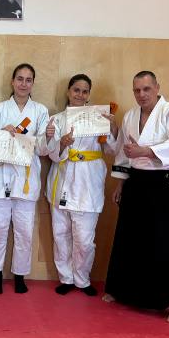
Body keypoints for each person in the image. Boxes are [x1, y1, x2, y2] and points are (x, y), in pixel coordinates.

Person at [103, 70, 169, 324]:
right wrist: (120, 184)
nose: (142, 94)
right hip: (135, 182)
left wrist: (146, 151)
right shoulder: (130, 115)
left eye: (146, 89)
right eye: (137, 90)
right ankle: (121, 290)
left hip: (161, 185)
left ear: (157, 88)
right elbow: (123, 154)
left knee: (165, 243)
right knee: (128, 239)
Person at [45, 74, 118, 297]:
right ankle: (66, 279)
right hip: (62, 179)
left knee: (84, 240)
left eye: (85, 91)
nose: (80, 95)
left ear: (89, 95)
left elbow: (112, 150)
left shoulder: (99, 118)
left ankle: (83, 279)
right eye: (76, 90)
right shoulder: (57, 119)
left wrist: (113, 128)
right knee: (61, 235)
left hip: (88, 182)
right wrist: (61, 143)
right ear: (68, 91)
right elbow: (50, 153)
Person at [0, 63, 50, 294]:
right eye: (20, 79)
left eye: (28, 80)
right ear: (12, 81)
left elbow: (42, 149)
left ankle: (20, 275)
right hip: (0, 175)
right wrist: (2, 132)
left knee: (24, 231)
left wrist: (48, 137)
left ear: (33, 83)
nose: (23, 84)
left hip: (25, 179)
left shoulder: (40, 111)